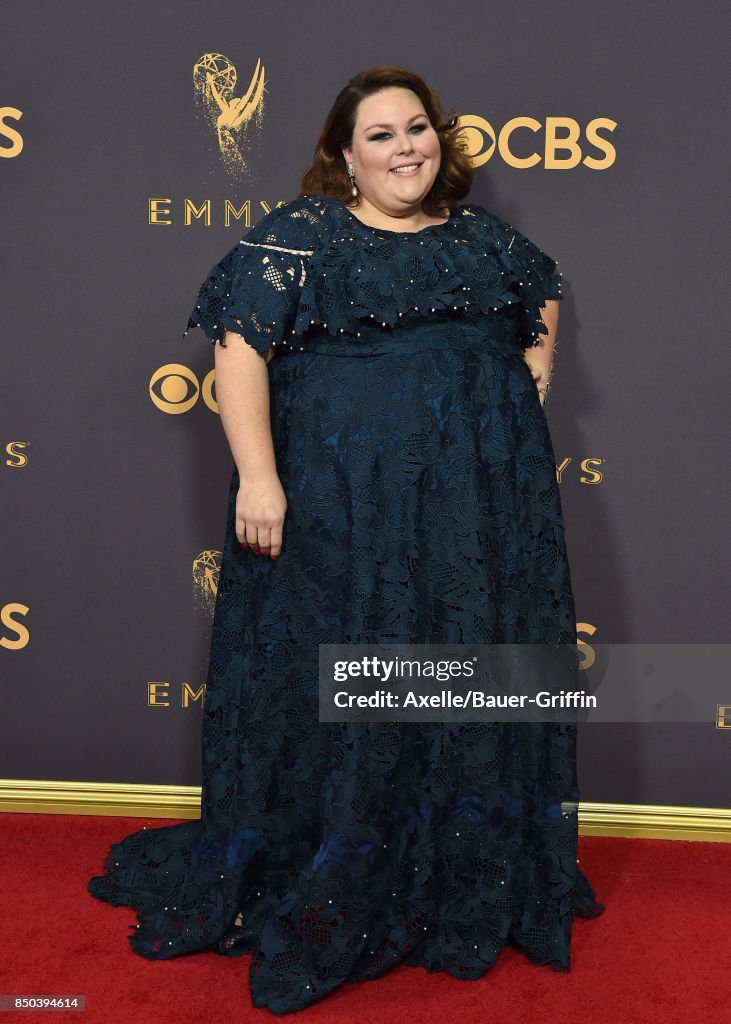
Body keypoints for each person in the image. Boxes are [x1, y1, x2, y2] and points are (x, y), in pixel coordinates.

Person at [87, 65, 604, 1015]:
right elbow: (237, 347)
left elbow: (541, 300)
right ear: (344, 155)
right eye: (382, 134)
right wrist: (258, 476)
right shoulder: (301, 236)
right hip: (342, 511)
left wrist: (513, 406)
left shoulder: (485, 242)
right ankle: (337, 865)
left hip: (470, 515)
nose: (407, 147)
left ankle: (457, 872)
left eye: (418, 128)